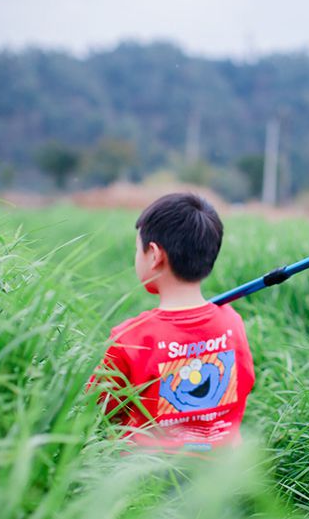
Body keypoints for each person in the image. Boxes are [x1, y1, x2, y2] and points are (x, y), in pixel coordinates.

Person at [91, 193, 255, 451]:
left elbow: (99, 409)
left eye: (138, 249)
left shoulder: (130, 338)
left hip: (148, 481)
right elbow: (244, 385)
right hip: (222, 474)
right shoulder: (232, 322)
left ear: (154, 255)